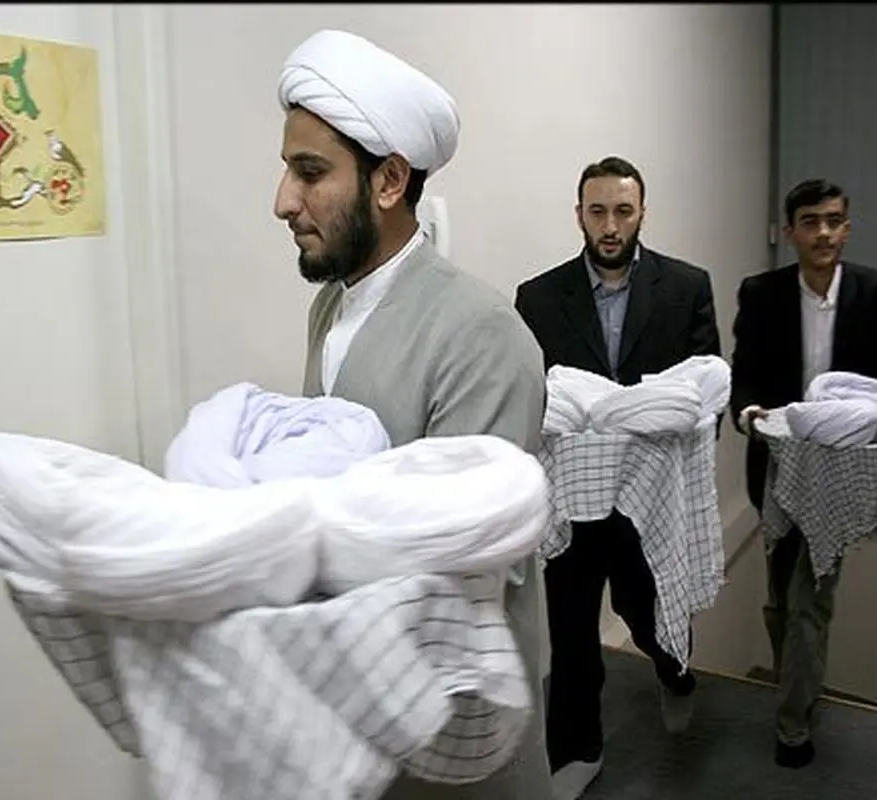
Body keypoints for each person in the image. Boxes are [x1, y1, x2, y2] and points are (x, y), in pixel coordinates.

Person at [273, 29, 554, 800]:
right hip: (358, 720)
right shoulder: (330, 308)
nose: (283, 201)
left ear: (390, 180)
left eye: (310, 173)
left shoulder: (482, 336)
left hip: (455, 736)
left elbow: (457, 575)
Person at [514, 155, 721, 798]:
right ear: (579, 215)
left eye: (623, 212)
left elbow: (704, 391)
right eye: (598, 211)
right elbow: (535, 398)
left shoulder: (685, 288)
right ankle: (577, 750)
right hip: (573, 501)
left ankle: (674, 672)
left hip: (649, 500)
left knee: (648, 611)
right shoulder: (538, 298)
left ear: (642, 214)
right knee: (572, 632)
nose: (610, 226)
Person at [730, 178, 877, 768]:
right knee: (782, 599)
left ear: (847, 227)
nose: (823, 232)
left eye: (833, 220)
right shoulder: (761, 293)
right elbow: (744, 379)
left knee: (811, 600)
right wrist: (751, 416)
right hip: (777, 468)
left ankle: (793, 726)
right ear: (790, 232)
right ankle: (797, 684)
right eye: (811, 221)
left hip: (841, 474)